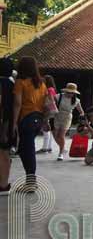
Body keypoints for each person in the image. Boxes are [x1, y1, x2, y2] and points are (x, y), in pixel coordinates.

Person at [13, 56, 48, 187]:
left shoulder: (21, 82)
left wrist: (14, 123)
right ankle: (30, 180)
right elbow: (45, 104)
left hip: (26, 118)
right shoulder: (41, 84)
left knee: (27, 150)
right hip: (38, 118)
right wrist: (45, 121)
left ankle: (31, 182)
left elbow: (17, 103)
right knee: (24, 149)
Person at [53, 83, 85, 161]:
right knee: (55, 134)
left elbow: (81, 111)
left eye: (72, 92)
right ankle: (63, 147)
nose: (70, 94)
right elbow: (52, 104)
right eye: (69, 92)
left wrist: (82, 118)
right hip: (57, 115)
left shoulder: (76, 100)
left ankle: (60, 153)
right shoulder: (58, 96)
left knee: (61, 135)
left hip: (67, 117)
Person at [0, 58, 15, 195]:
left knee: (3, 154)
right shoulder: (10, 84)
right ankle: (3, 184)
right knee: (4, 154)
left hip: (3, 124)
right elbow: (8, 109)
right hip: (6, 124)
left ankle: (3, 184)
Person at [37, 75, 57, 154]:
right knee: (48, 127)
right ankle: (48, 147)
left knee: (45, 127)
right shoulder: (52, 89)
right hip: (51, 110)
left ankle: (45, 147)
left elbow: (51, 99)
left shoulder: (48, 89)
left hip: (47, 109)